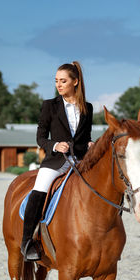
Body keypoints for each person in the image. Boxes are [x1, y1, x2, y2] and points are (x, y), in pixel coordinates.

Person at [21, 61, 93, 261]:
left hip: (80, 161)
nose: (58, 85)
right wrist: (55, 145)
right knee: (40, 188)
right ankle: (27, 242)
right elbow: (40, 138)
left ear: (75, 82)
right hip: (55, 161)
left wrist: (90, 143)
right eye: (56, 81)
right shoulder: (49, 106)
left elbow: (85, 136)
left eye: (63, 81)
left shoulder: (87, 107)